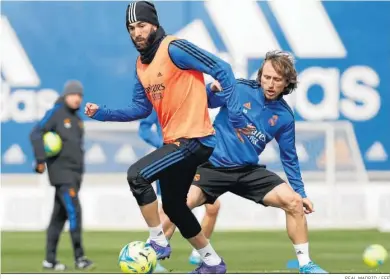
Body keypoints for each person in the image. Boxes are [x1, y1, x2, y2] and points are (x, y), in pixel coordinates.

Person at [84, 1, 252, 274]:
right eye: (131, 28)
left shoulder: (174, 47)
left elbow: (223, 69)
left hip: (196, 140)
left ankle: (157, 241)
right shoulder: (140, 65)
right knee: (174, 206)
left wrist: (234, 115)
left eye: (141, 25)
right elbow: (140, 109)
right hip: (176, 143)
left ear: (154, 24)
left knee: (137, 175)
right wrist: (102, 113)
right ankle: (212, 262)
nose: (136, 32)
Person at [161, 50, 327, 274]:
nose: (270, 83)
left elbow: (289, 157)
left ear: (287, 82)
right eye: (266, 77)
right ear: (260, 76)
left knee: (294, 202)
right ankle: (151, 253)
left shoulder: (285, 117)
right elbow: (205, 102)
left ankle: (306, 264)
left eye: (277, 80)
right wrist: (212, 89)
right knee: (176, 205)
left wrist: (301, 192)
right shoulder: (239, 89)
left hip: (246, 171)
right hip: (211, 165)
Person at [138, 110, 221, 268]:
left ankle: (198, 254)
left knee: (213, 207)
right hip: (171, 159)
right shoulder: (162, 95)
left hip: (195, 158)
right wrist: (166, 146)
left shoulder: (199, 96)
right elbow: (144, 128)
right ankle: (150, 257)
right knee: (171, 210)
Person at [30, 80, 94, 271]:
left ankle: (49, 260)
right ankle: (80, 257)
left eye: (80, 96)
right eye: (74, 95)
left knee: (59, 217)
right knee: (75, 211)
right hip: (62, 174)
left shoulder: (78, 119)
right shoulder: (56, 113)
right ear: (66, 95)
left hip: (75, 175)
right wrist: (40, 159)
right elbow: (36, 133)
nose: (77, 99)